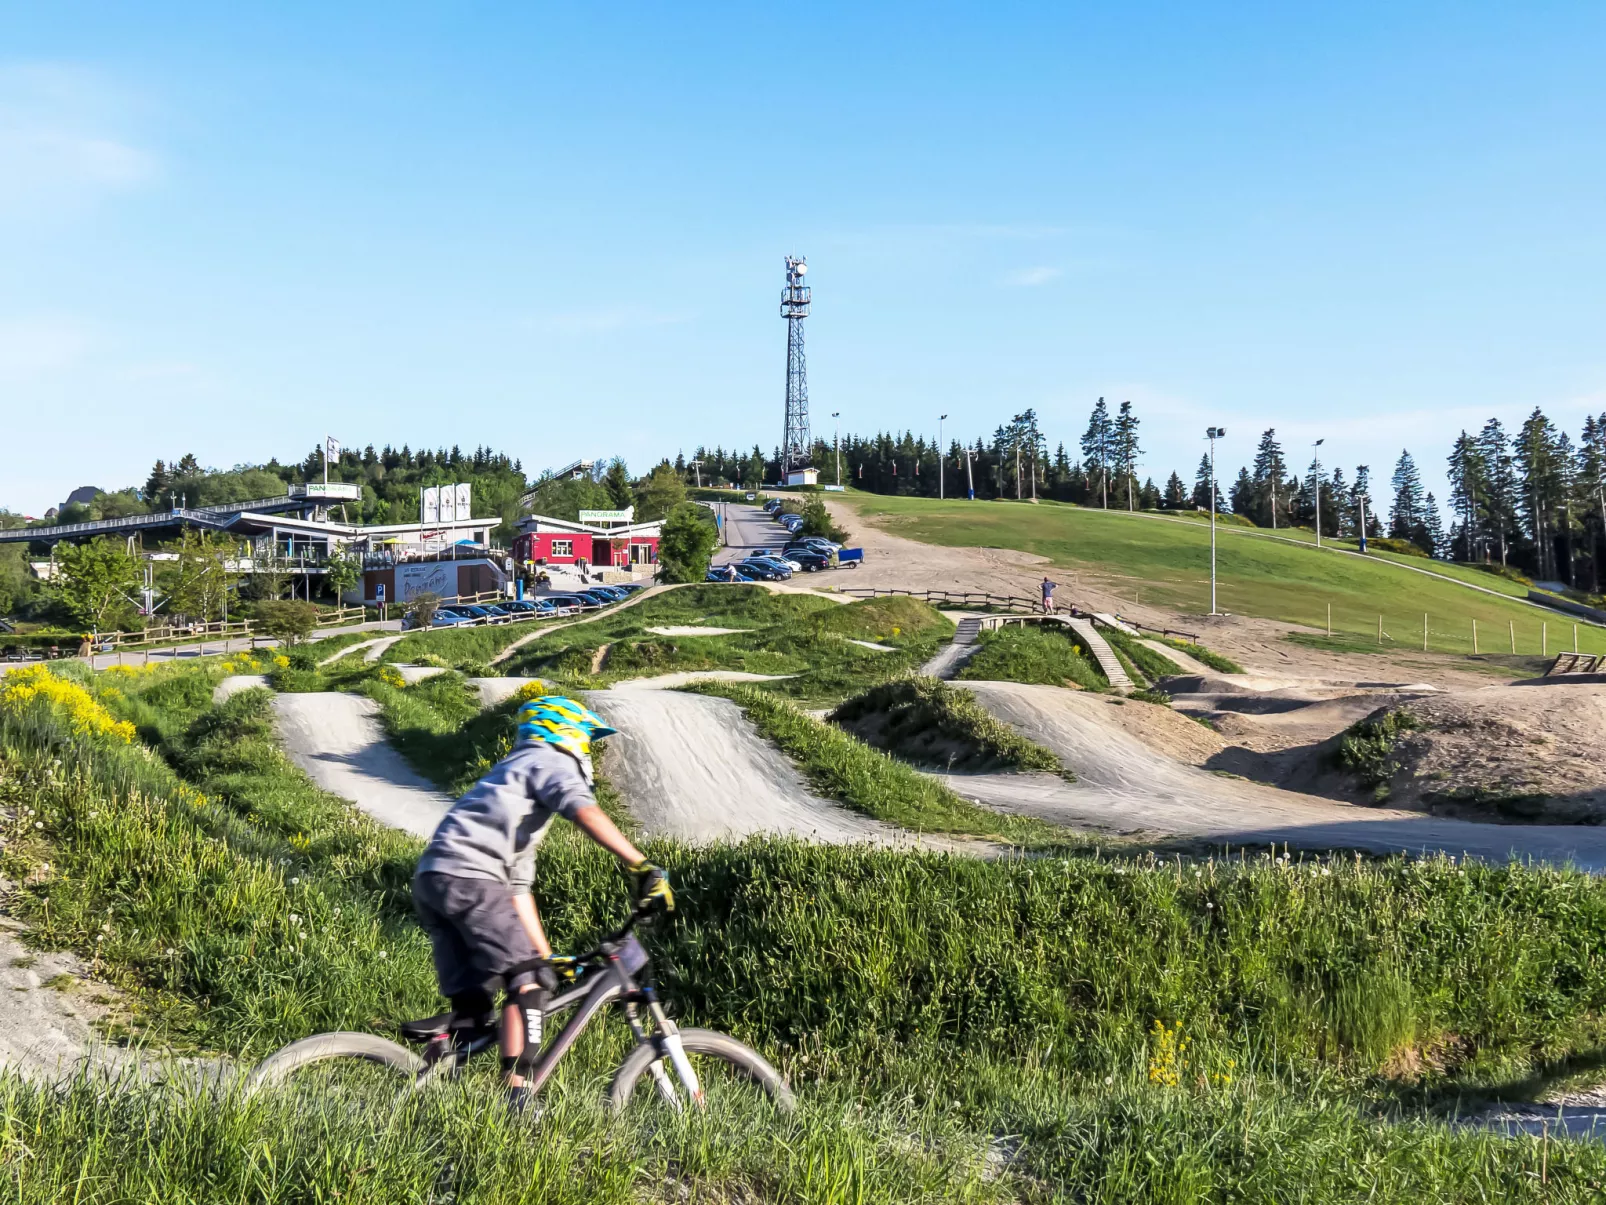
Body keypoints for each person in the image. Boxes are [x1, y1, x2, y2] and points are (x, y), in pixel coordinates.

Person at [412, 696, 673, 1115]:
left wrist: (546, 956)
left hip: (435, 881)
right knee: (528, 983)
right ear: (564, 733)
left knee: (478, 1009)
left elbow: (517, 891)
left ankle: (431, 1076)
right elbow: (584, 810)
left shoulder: (510, 786)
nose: (586, 751)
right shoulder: (547, 760)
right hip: (471, 879)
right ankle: (517, 1101)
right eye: (586, 740)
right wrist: (639, 864)